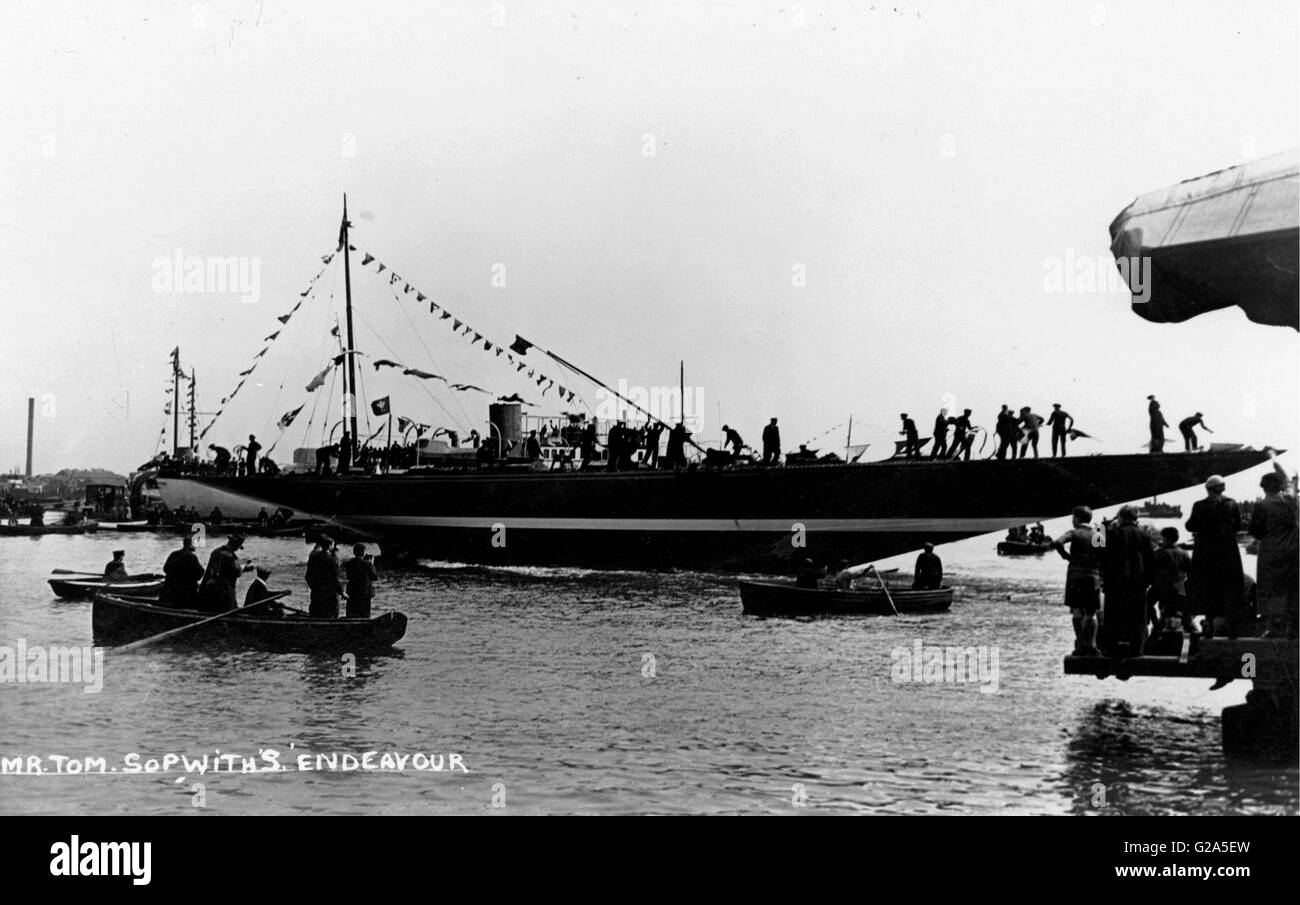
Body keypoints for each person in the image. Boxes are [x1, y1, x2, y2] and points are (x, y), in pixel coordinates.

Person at [1186, 475, 1244, 638]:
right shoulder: (1231, 503)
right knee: (1230, 587)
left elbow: (1191, 525)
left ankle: (1209, 624)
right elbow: (1238, 525)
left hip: (1206, 553)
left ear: (1208, 489)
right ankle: (1232, 628)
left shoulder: (1199, 505)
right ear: (1221, 487)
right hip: (1228, 552)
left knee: (1208, 588)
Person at [1249, 460, 1298, 639]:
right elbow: (1291, 487)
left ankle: (1270, 628)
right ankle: (1291, 627)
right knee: (1292, 587)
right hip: (1293, 549)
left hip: (1270, 550)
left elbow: (1255, 530)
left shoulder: (1262, 505)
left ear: (1264, 487)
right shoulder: (1291, 502)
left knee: (1268, 587)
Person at [1100, 505, 1154, 656]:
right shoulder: (1144, 534)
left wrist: (1100, 528)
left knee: (1113, 615)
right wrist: (1148, 581)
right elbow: (1151, 559)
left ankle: (1111, 648)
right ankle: (1137, 649)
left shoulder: (1113, 533)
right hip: (1138, 582)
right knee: (1138, 617)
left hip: (1115, 581)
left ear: (1121, 517)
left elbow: (1098, 550)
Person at [1053, 506, 1102, 656]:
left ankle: (1080, 644)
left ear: (1078, 518)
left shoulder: (1073, 533)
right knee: (1091, 612)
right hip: (1093, 575)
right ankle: (1092, 644)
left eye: (1073, 517)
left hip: (1075, 575)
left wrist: (1067, 557)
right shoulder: (1097, 534)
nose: (1072, 520)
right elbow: (1104, 554)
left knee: (1077, 611)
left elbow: (1058, 542)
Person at [1149, 527, 1192, 634]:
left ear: (1165, 538)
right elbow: (1190, 573)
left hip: (1162, 588)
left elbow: (1152, 572)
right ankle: (1190, 629)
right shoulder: (1184, 553)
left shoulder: (1159, 553)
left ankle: (1156, 626)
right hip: (1180, 589)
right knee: (1183, 613)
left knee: (1147, 604)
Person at [197, 534, 254, 613]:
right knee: (226, 610)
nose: (237, 549)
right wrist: (244, 566)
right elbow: (237, 572)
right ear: (234, 545)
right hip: (222, 590)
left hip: (210, 587)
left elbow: (230, 565)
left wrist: (244, 563)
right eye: (237, 547)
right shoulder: (227, 555)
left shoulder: (217, 551)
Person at [160, 534, 204, 609]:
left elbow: (165, 569)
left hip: (171, 592)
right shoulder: (192, 557)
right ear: (190, 545)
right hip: (185, 594)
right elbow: (200, 573)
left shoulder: (174, 554)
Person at [305, 534, 344, 618]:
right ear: (329, 546)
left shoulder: (314, 558)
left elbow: (308, 576)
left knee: (316, 612)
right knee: (331, 613)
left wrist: (314, 587)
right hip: (329, 593)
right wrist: (341, 592)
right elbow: (334, 578)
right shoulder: (331, 560)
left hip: (316, 591)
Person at [343, 543, 379, 618]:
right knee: (364, 615)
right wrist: (372, 564)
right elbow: (374, 577)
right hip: (364, 593)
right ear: (363, 552)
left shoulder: (349, 564)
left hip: (352, 591)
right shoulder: (368, 564)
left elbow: (348, 576)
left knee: (352, 614)